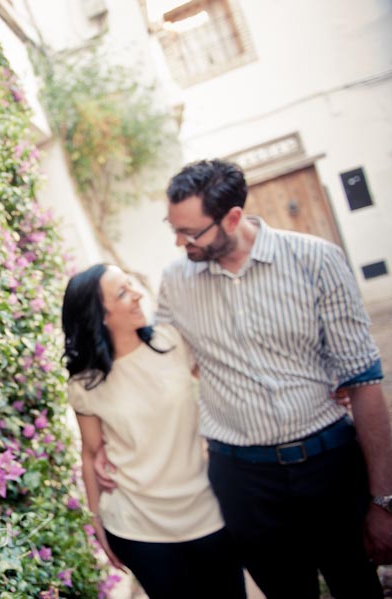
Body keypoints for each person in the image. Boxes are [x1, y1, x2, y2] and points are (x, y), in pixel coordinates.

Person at [98, 158, 392, 598]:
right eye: (172, 228)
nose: (179, 242)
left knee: (356, 586)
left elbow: (364, 382)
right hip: (243, 481)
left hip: (330, 464)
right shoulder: (177, 280)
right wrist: (105, 440)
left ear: (232, 218)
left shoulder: (317, 261)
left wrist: (383, 500)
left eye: (190, 233)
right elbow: (160, 365)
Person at [62, 263, 246, 599]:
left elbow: (229, 382)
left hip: (207, 509)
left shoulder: (173, 342)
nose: (138, 295)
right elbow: (90, 453)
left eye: (131, 284)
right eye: (123, 292)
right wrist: (96, 523)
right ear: (100, 315)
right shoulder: (84, 384)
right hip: (136, 524)